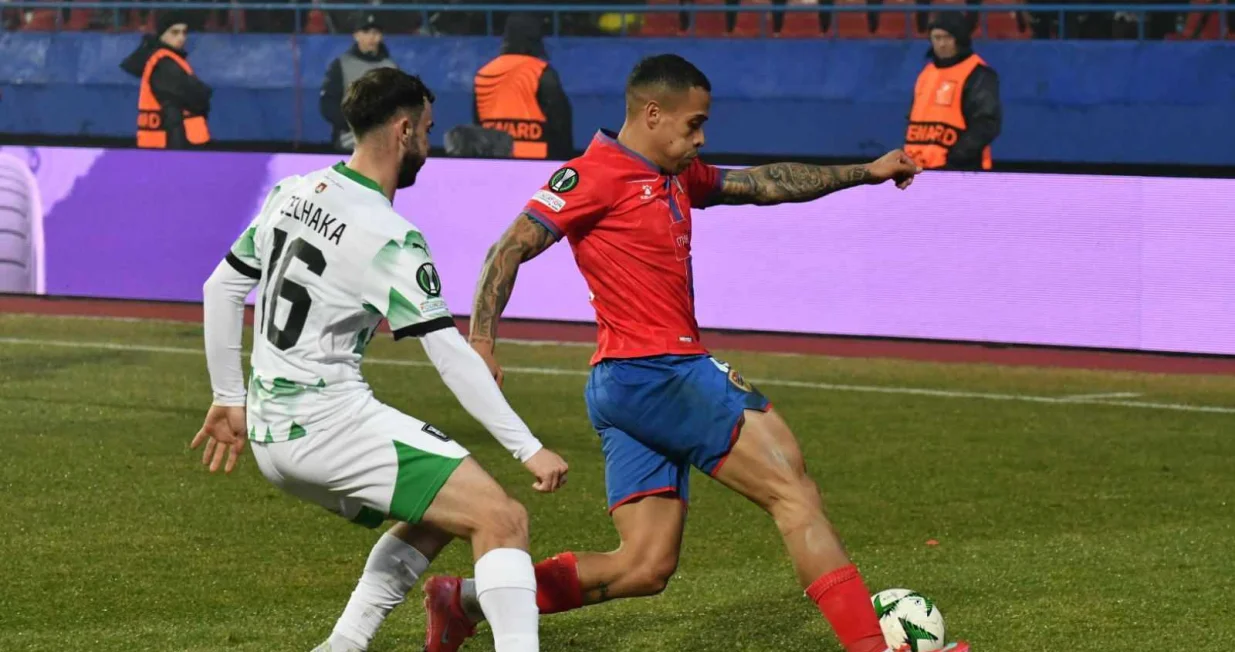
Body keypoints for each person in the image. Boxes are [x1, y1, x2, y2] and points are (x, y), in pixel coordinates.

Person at [413, 54, 970, 652]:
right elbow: (510, 246)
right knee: (793, 491)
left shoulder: (678, 173)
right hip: (661, 371)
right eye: (693, 124)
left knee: (643, 566)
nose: (701, 138)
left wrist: (868, 170)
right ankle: (871, 647)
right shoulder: (593, 174)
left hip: (623, 387)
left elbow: (763, 184)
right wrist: (481, 339)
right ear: (653, 114)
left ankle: (462, 601)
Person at [189, 67, 568, 652]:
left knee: (445, 506)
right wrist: (527, 446)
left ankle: (344, 644)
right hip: (328, 424)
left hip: (270, 433)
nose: (430, 145)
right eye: (427, 131)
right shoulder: (389, 235)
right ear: (402, 129)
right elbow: (450, 354)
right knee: (502, 517)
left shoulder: (294, 191)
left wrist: (229, 397)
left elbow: (221, 288)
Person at [904, 12, 1001, 171]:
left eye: (947, 37)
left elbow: (986, 124)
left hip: (961, 171)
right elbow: (912, 120)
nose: (941, 44)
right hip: (919, 168)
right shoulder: (926, 73)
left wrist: (956, 158)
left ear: (960, 39)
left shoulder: (978, 73)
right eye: (936, 38)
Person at [473, 13, 573, 160]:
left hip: (493, 157)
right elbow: (560, 120)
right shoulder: (540, 71)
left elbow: (477, 121)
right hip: (537, 158)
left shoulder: (483, 73)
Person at [119, 12, 212, 150]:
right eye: (175, 32)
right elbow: (184, 104)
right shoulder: (165, 64)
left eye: (184, 32)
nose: (181, 38)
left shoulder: (167, 60)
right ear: (162, 34)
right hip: (173, 145)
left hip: (161, 145)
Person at [320, 12, 399, 152]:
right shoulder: (341, 65)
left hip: (383, 144)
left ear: (381, 36)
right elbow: (328, 104)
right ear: (356, 35)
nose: (371, 37)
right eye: (366, 32)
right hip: (349, 141)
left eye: (375, 32)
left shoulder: (391, 67)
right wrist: (353, 124)